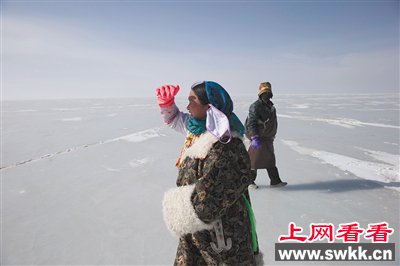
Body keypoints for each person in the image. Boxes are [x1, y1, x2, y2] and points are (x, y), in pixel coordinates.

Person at [156, 81, 263, 265]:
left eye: (193, 100)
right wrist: (167, 105)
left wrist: (174, 207)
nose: (188, 105)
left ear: (209, 107)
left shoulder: (226, 146)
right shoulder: (199, 129)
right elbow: (177, 120)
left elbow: (207, 204)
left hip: (222, 242)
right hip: (199, 236)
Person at [245, 81, 287, 189]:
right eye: (264, 93)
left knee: (270, 160)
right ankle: (249, 182)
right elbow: (251, 122)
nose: (266, 95)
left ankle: (275, 181)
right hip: (258, 137)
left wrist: (272, 134)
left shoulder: (271, 107)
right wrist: (254, 137)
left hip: (267, 138)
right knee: (254, 160)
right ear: (260, 94)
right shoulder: (255, 106)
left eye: (268, 93)